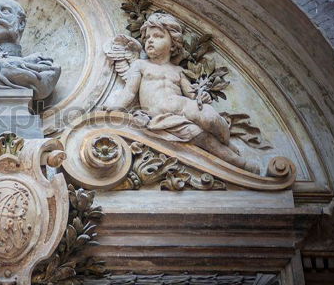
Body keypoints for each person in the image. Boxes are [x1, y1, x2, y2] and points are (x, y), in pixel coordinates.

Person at [104, 12, 258, 173]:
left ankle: (226, 141)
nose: (150, 40)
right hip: (165, 117)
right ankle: (240, 164)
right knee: (203, 139)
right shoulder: (140, 65)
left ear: (173, 44)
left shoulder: (179, 71)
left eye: (157, 36)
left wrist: (202, 97)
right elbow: (129, 92)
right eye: (148, 37)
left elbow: (192, 96)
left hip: (185, 107)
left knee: (211, 118)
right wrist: (115, 107)